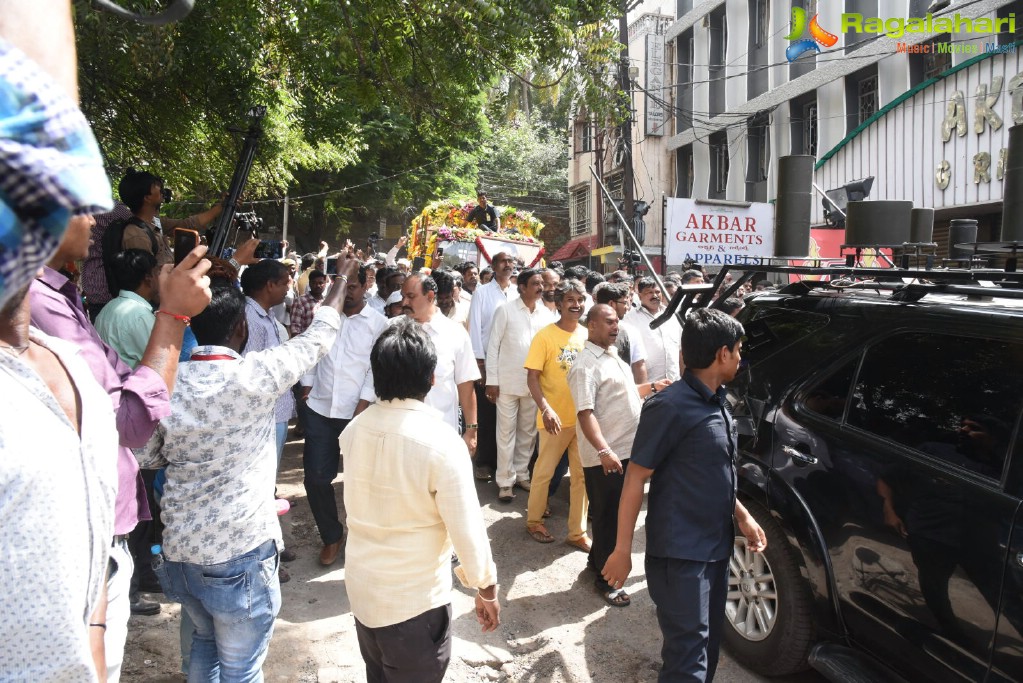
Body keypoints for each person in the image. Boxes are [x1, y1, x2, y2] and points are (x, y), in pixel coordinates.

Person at [136, 252, 360, 680]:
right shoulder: (255, 376)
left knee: (205, 644)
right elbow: (319, 336)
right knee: (241, 667)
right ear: (241, 330)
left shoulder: (168, 383)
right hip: (239, 556)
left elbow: (147, 456)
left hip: (181, 554)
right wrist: (341, 279)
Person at [602, 308, 767, 682]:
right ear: (722, 354)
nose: (741, 358)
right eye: (738, 349)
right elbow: (635, 479)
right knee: (687, 661)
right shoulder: (669, 406)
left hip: (715, 548)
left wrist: (742, 515)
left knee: (706, 650)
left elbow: (713, 472)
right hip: (680, 556)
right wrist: (622, 549)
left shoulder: (719, 402)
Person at [341, 318, 500, 682]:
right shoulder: (441, 442)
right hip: (412, 604)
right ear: (431, 379)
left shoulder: (354, 431)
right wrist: (486, 589)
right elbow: (468, 530)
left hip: (364, 593)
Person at [568, 304, 667, 608]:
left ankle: (596, 563)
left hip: (625, 452)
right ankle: (607, 581)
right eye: (609, 322)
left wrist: (651, 387)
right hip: (607, 457)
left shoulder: (612, 357)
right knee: (610, 516)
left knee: (611, 514)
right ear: (592, 325)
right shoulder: (585, 365)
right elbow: (585, 414)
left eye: (617, 322)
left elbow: (620, 395)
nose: (616, 326)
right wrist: (604, 450)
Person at [300, 264, 387, 566]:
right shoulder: (325, 316)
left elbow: (375, 372)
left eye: (352, 286)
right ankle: (331, 536)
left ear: (365, 287)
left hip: (359, 412)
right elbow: (311, 352)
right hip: (319, 409)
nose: (346, 292)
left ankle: (365, 540)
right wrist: (306, 388)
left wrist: (361, 410)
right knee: (315, 479)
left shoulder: (379, 323)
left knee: (362, 480)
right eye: (342, 285)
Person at [360, 273, 480, 454]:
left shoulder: (455, 333)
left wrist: (471, 430)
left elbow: (466, 385)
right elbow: (376, 375)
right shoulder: (390, 328)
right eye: (402, 296)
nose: (404, 303)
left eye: (411, 296)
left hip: (440, 435)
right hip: (396, 434)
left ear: (430, 297)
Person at [523, 279, 590, 550]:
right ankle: (534, 521)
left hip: (583, 419)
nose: (576, 305)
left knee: (581, 477)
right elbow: (532, 378)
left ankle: (577, 532)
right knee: (544, 473)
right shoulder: (545, 336)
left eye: (580, 300)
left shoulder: (587, 335)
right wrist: (546, 409)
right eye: (570, 300)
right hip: (554, 420)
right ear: (559, 304)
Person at [485, 268, 555, 502]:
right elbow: (492, 347)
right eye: (535, 283)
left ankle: (522, 474)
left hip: (534, 385)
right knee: (505, 433)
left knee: (528, 432)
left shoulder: (546, 314)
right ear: (522, 287)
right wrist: (491, 381)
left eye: (541, 284)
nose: (540, 287)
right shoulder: (505, 311)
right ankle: (505, 481)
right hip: (506, 383)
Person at [467, 251, 518, 481]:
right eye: (503, 262)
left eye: (511, 262)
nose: (508, 265)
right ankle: (485, 462)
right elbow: (475, 329)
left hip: (513, 364)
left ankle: (506, 465)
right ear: (494, 266)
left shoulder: (518, 293)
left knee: (509, 417)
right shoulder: (483, 293)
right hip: (487, 362)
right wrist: (480, 364)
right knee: (488, 415)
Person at [94, 249, 160, 368]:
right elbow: (160, 362)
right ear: (148, 278)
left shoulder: (108, 308)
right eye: (157, 272)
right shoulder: (140, 316)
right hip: (132, 383)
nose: (160, 277)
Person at [625, 277, 683, 383]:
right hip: (649, 388)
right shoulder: (630, 319)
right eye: (649, 292)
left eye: (657, 292)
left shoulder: (672, 316)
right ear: (640, 295)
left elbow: (680, 350)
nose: (655, 296)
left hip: (675, 383)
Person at [593, 281, 648, 385]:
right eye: (624, 303)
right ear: (611, 304)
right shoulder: (582, 329)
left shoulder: (631, 330)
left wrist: (642, 397)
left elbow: (639, 365)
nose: (627, 307)